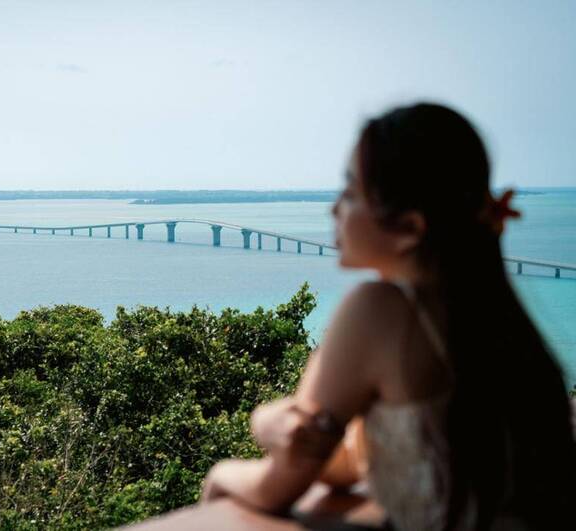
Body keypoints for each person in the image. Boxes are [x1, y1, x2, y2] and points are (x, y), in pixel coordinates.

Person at [200, 103, 576, 530]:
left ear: (409, 229)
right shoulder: (499, 320)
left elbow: (281, 485)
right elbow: (342, 465)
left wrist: (223, 467)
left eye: (350, 192)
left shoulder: (378, 309)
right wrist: (278, 426)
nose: (334, 210)